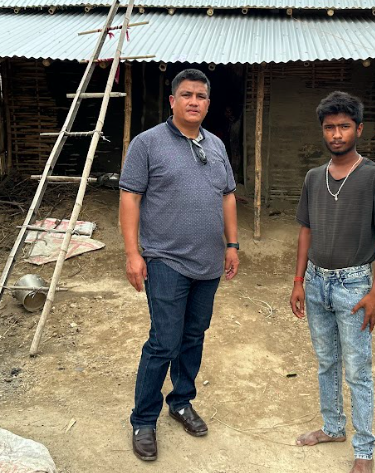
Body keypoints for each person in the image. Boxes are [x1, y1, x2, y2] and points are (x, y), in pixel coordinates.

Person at [120, 68, 240, 462]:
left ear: (208, 103)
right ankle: (143, 419)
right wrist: (133, 254)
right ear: (172, 101)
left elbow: (227, 196)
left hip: (208, 261)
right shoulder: (147, 144)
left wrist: (233, 244)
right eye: (186, 95)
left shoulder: (217, 145)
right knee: (164, 341)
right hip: (166, 259)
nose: (193, 101)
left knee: (194, 335)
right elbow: (130, 198)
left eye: (201, 96)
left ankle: (182, 400)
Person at [289, 91, 375, 473]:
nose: (336, 134)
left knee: (357, 369)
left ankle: (364, 450)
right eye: (330, 127)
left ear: (359, 129)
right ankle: (333, 427)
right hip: (317, 281)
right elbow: (305, 230)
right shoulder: (313, 177)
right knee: (326, 362)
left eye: (344, 126)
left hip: (355, 285)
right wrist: (299, 280)